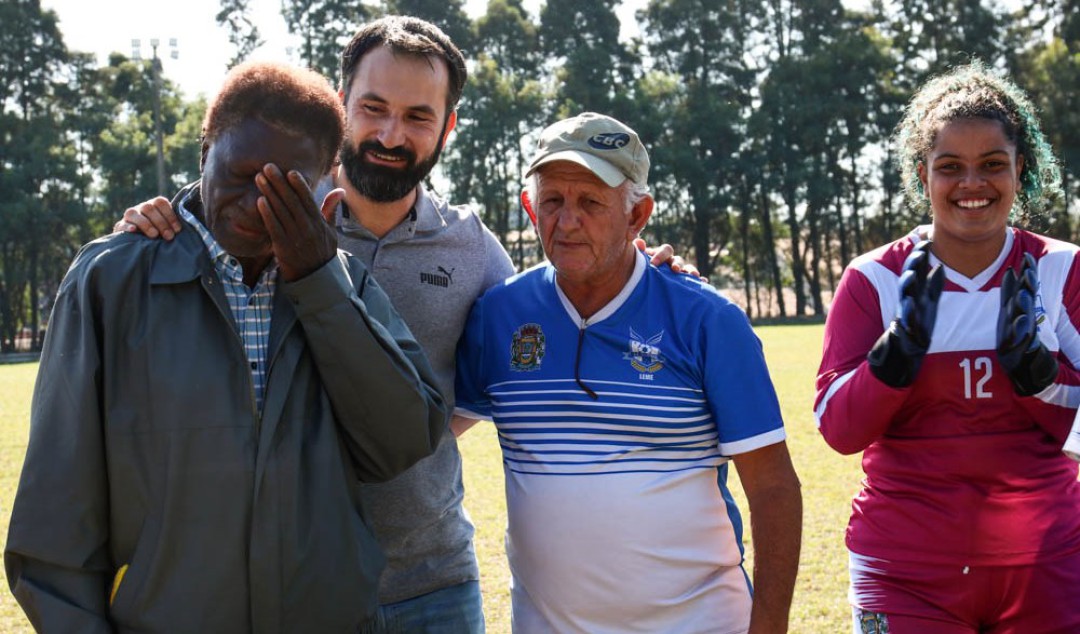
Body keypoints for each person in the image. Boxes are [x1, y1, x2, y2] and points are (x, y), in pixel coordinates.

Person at [116, 16, 692, 632]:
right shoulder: (265, 220)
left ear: (447, 127)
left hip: (434, 585)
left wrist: (644, 271)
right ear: (341, 107)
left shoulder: (473, 249)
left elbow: (558, 317)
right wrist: (162, 217)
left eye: (418, 116)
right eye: (373, 107)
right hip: (292, 587)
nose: (391, 133)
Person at [4, 61, 446, 632]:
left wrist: (319, 287)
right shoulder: (109, 281)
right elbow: (53, 518)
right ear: (204, 149)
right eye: (240, 175)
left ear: (323, 180)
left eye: (285, 188)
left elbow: (403, 441)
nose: (256, 205)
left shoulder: (345, 282)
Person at [453, 112, 803, 633]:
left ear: (637, 214)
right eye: (553, 200)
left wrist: (769, 627)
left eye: (591, 202)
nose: (567, 221)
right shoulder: (497, 314)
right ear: (530, 208)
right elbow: (424, 441)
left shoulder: (707, 319)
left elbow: (773, 487)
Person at [814, 62, 1080, 633]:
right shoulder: (874, 278)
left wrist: (1041, 381)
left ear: (1019, 169)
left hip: (1047, 561)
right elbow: (837, 430)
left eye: (992, 165)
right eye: (950, 167)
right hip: (905, 569)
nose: (972, 184)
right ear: (923, 174)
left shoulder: (1063, 269)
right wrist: (895, 360)